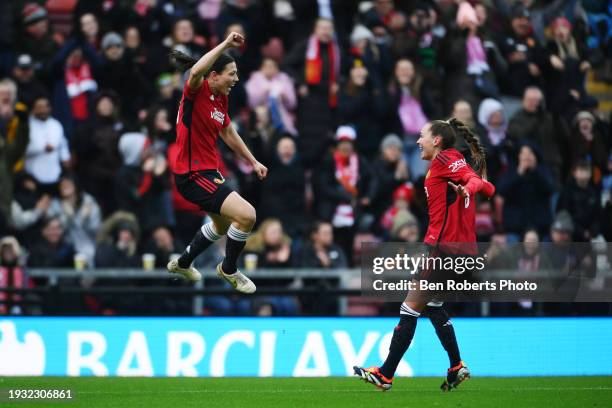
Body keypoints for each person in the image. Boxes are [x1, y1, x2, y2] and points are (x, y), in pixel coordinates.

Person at [354, 118, 495, 391]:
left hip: (445, 252)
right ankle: (456, 365)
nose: (418, 141)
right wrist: (475, 186)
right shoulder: (452, 163)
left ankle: (385, 375)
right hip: (463, 253)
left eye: (422, 136)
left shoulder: (446, 160)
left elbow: (473, 180)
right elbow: (488, 187)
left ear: (437, 140)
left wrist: (470, 185)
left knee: (409, 309)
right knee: (434, 307)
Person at [166, 32, 268, 294]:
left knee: (223, 225)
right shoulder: (196, 91)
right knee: (247, 215)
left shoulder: (220, 98)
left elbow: (228, 132)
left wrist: (253, 161)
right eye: (231, 73)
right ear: (214, 75)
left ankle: (183, 262)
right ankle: (229, 269)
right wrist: (225, 43)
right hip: (192, 174)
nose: (236, 79)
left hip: (208, 172)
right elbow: (196, 71)